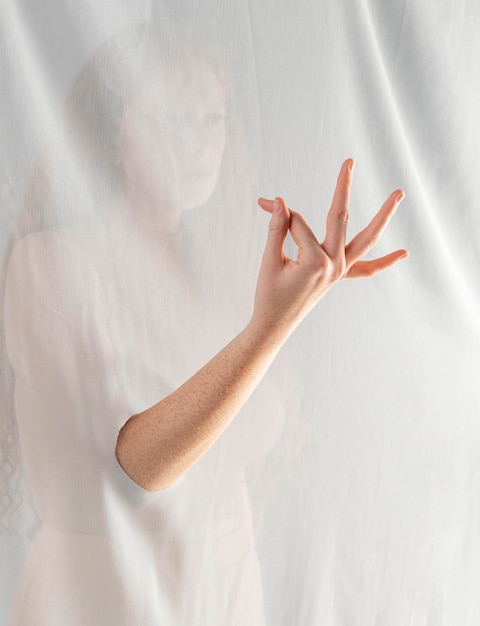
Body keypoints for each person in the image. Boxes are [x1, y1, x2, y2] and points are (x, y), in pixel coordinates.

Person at [2, 22, 407, 626]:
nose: (197, 142)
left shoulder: (225, 276)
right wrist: (271, 327)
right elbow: (137, 470)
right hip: (103, 604)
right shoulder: (51, 265)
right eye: (171, 117)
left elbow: (241, 447)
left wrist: (294, 309)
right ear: (116, 132)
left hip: (225, 598)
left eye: (212, 120)